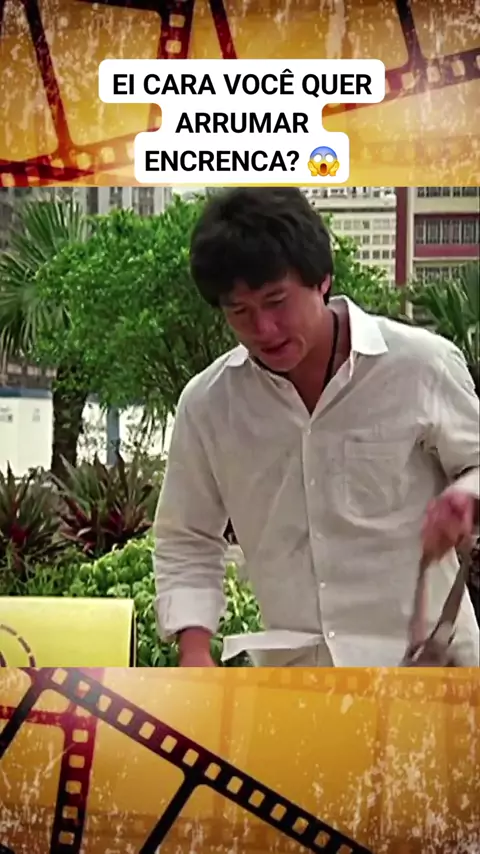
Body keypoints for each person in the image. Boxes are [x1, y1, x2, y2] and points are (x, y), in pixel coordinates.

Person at [153, 188, 480, 668]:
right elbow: (186, 537)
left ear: (322, 278)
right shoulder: (208, 405)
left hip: (428, 665)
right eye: (240, 312)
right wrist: (195, 649)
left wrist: (467, 494)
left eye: (277, 301)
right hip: (298, 677)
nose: (264, 329)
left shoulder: (420, 366)